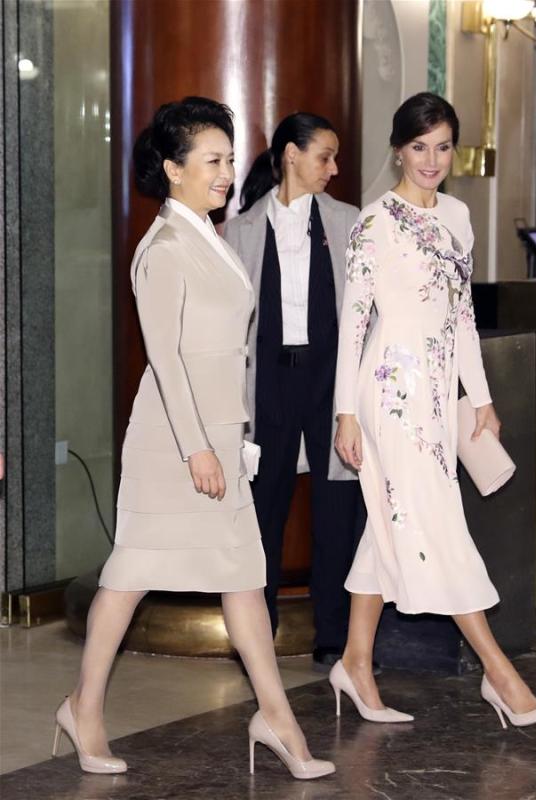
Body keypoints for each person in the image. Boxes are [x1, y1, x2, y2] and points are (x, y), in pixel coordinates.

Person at [53, 97, 334, 780]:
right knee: (129, 576)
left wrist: (228, 438)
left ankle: (277, 719)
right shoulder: (164, 247)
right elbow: (166, 358)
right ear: (172, 169)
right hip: (172, 440)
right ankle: (84, 708)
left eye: (230, 159)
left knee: (243, 576)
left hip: (217, 436)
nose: (226, 172)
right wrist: (195, 448)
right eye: (212, 160)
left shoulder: (209, 236)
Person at [331, 92, 536, 728]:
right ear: (398, 150)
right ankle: (502, 676)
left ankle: (354, 662)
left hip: (436, 395)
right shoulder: (374, 223)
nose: (431, 159)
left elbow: (461, 316)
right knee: (437, 523)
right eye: (418, 147)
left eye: (441, 146)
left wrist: (481, 399)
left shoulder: (459, 216)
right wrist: (344, 413)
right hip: (387, 389)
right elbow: (353, 325)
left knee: (392, 523)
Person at [223, 114, 366, 670]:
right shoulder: (240, 230)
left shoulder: (349, 222)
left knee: (337, 509)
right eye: (324, 156)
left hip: (331, 381)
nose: (333, 168)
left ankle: (333, 636)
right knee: (264, 509)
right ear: (290, 155)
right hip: (269, 382)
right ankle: (259, 633)